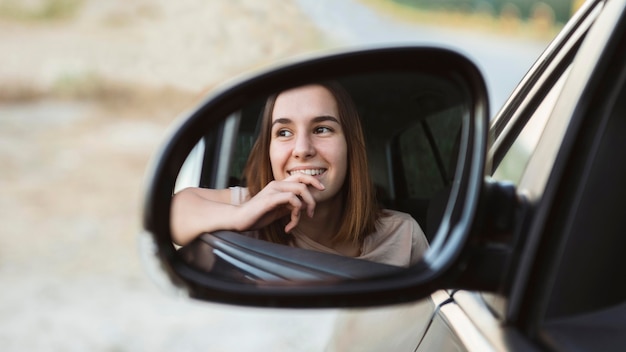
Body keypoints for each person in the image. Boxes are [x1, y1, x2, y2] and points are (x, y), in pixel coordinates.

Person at [171, 82, 428, 267]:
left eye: (322, 129)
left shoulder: (404, 235)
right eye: (284, 132)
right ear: (268, 150)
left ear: (350, 145)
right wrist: (240, 216)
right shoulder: (256, 206)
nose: (302, 149)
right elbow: (171, 210)